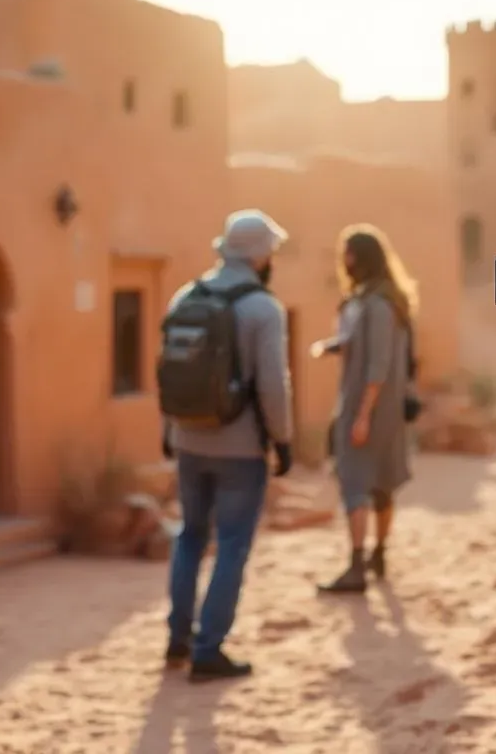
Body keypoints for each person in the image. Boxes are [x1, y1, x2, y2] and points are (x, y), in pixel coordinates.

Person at [161, 208, 294, 682]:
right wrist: (283, 441)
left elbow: (170, 370)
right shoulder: (263, 308)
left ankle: (177, 637)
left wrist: (169, 429)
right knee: (233, 545)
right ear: (259, 256)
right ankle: (208, 648)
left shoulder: (185, 296)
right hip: (239, 448)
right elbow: (273, 386)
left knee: (190, 536)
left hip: (188, 439)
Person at [312, 224, 416, 594]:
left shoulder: (377, 304)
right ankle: (378, 555)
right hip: (382, 411)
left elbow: (378, 366)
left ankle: (357, 565)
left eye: (349, 254)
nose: (346, 261)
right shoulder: (384, 300)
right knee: (382, 483)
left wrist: (361, 415)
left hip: (368, 409)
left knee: (356, 482)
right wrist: (334, 347)